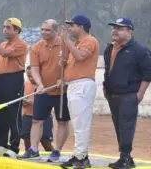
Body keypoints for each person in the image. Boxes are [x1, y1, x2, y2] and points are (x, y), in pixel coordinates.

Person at [104, 18, 151, 169]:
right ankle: (127, 158)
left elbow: (147, 73)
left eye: (120, 28)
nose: (115, 31)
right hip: (112, 95)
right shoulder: (109, 49)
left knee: (126, 127)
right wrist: (106, 88)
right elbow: (108, 70)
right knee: (118, 126)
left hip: (129, 95)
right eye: (114, 28)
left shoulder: (140, 50)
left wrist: (140, 94)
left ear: (129, 31)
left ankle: (124, 158)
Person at [19, 19, 69, 162]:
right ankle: (33, 149)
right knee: (37, 120)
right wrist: (39, 84)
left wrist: (64, 78)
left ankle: (57, 151)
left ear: (56, 31)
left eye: (47, 30)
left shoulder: (66, 45)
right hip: (43, 91)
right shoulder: (36, 47)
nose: (43, 32)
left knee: (62, 122)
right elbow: (34, 68)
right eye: (42, 29)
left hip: (62, 92)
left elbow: (71, 65)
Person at [0, 17, 28, 157]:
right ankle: (0, 144)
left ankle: (14, 147)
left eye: (8, 27)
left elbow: (5, 54)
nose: (5, 30)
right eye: (4, 27)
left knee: (13, 114)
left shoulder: (21, 45)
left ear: (17, 30)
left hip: (13, 79)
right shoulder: (3, 44)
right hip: (0, 80)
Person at [60, 14, 100, 168]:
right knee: (77, 123)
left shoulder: (90, 41)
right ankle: (79, 155)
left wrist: (66, 40)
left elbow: (80, 57)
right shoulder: (76, 43)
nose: (70, 28)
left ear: (81, 26)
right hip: (74, 85)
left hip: (83, 84)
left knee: (81, 122)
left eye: (72, 25)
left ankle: (81, 157)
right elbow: (71, 62)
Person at [19, 66, 55, 156]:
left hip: (44, 117)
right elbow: (21, 98)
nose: (30, 78)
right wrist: (23, 102)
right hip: (27, 115)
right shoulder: (25, 84)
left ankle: (54, 157)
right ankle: (29, 157)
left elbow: (49, 101)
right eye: (28, 76)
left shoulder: (45, 85)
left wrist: (33, 103)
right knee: (27, 140)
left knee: (45, 141)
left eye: (32, 76)